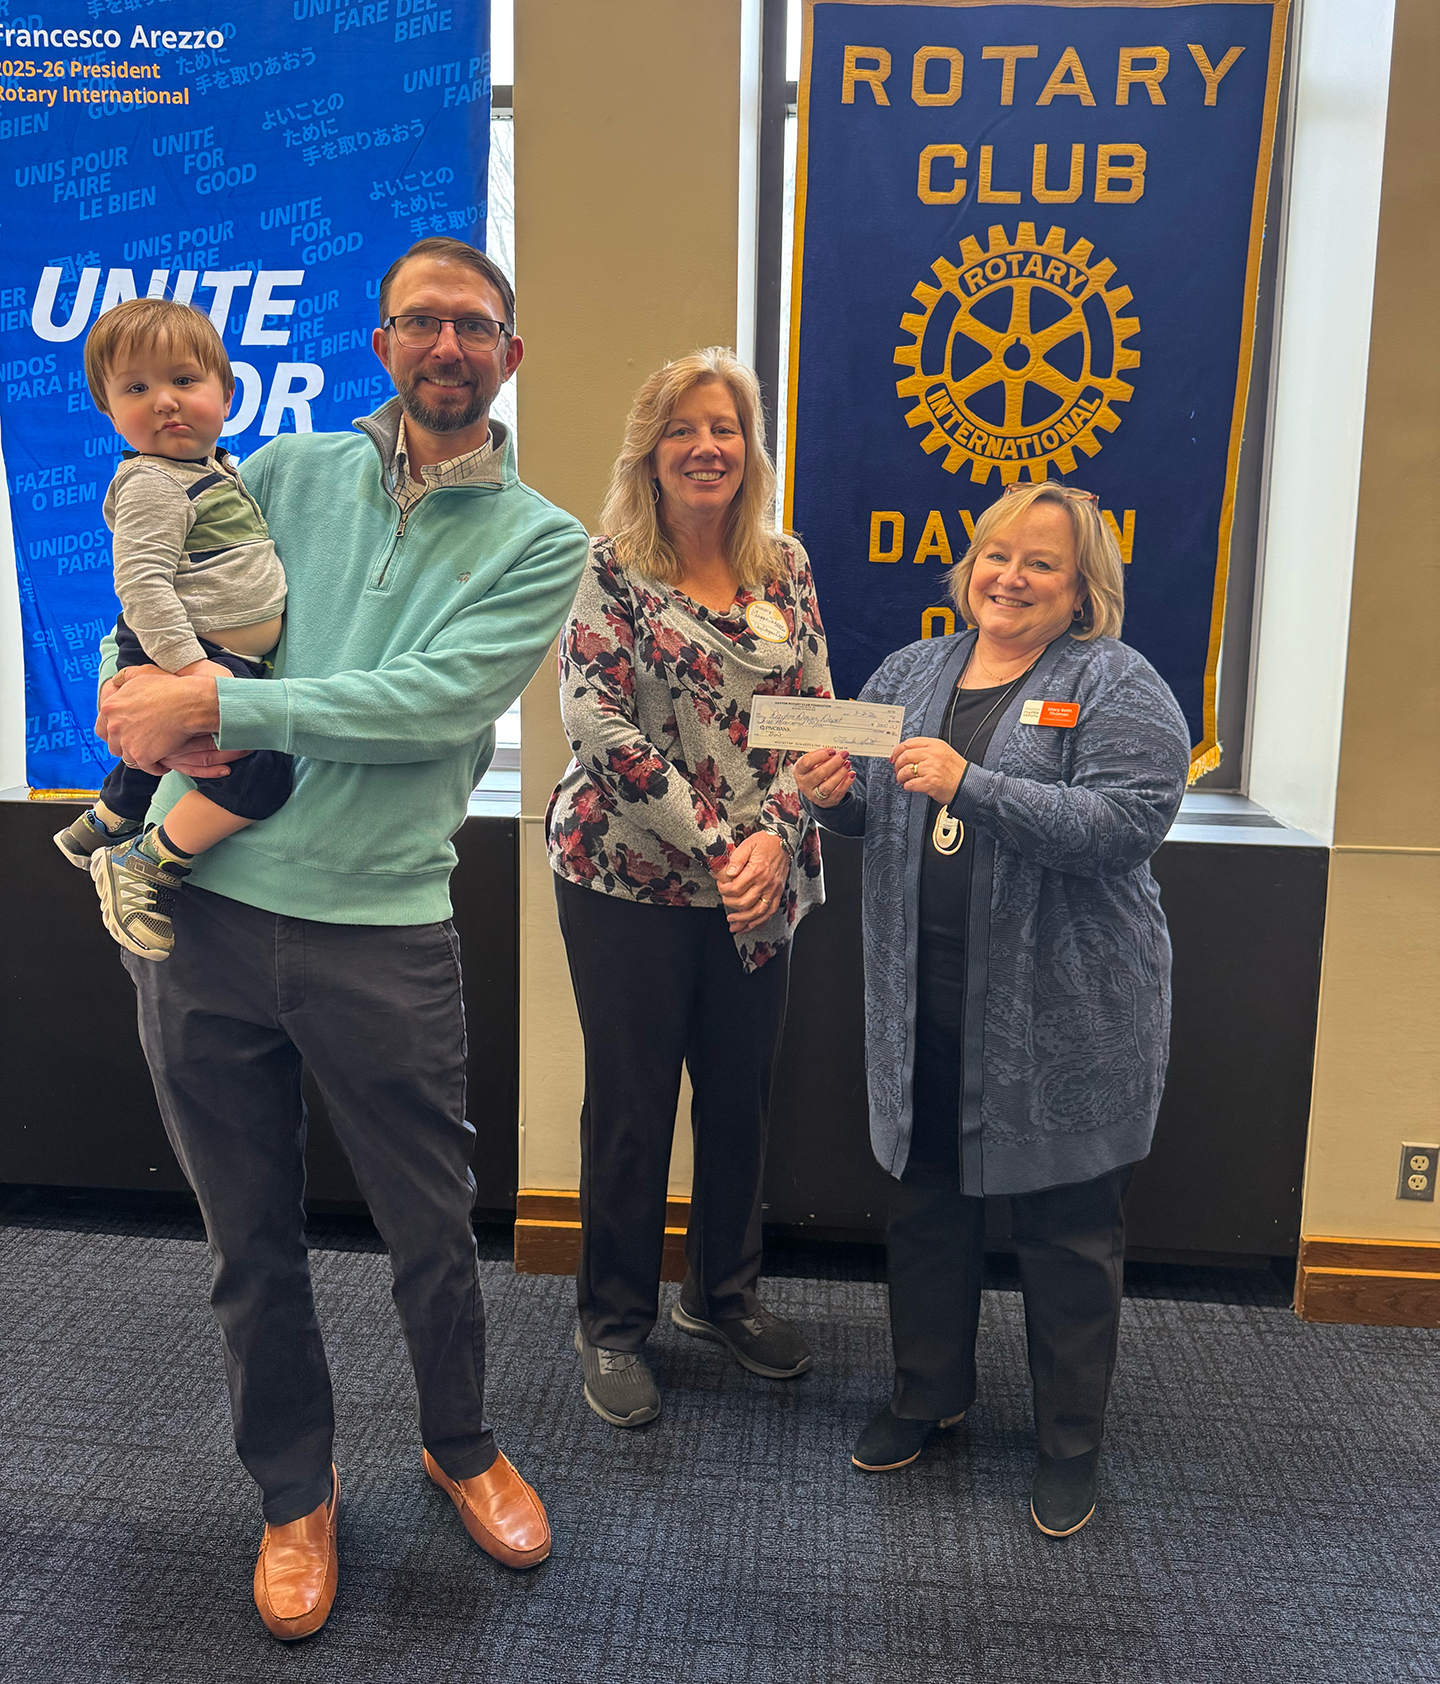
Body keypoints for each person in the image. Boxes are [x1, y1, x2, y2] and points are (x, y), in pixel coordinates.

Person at [93, 236, 589, 1639]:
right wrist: (131, 691)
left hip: (380, 928)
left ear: (508, 353)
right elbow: (180, 605)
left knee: (432, 1228)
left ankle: (461, 1445)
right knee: (247, 1239)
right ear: (382, 342)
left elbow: (432, 704)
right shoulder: (284, 469)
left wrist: (222, 710)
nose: (447, 345)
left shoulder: (542, 539)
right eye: (421, 321)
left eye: (473, 325)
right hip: (200, 914)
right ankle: (292, 1495)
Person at [794, 483, 1190, 1538]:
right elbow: (879, 810)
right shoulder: (909, 672)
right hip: (921, 999)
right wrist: (836, 794)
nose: (1010, 577)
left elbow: (1126, 824)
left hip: (1062, 1015)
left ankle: (1070, 1445)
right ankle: (928, 1394)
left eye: (1041, 563)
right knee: (927, 1210)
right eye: (996, 555)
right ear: (968, 567)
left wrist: (972, 784)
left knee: (1068, 1237)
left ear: (1082, 588)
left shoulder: (1117, 683)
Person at [547, 347, 830, 1428]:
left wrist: (775, 841)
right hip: (628, 875)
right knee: (632, 1105)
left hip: (761, 880)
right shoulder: (613, 566)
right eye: (683, 429)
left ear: (750, 448)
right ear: (650, 451)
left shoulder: (784, 564)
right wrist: (723, 843)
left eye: (726, 428)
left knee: (739, 1094)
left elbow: (818, 717)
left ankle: (722, 1294)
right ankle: (614, 1324)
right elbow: (596, 725)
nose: (707, 447)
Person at [54, 299, 293, 960]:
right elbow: (141, 586)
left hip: (206, 650)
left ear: (227, 392)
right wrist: (192, 671)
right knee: (260, 775)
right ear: (110, 412)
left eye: (184, 380)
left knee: (171, 746)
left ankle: (105, 820)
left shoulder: (212, 470)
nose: (164, 401)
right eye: (136, 389)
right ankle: (144, 862)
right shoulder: (154, 483)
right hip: (194, 651)